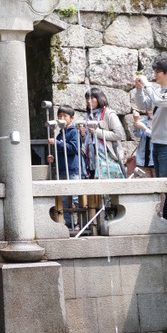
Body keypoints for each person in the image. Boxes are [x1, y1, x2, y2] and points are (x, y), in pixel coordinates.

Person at [132, 59, 167, 218]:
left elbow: (158, 101)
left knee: (166, 185)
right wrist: (139, 89)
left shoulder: (162, 94)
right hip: (157, 144)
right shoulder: (158, 91)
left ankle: (166, 218)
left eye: (158, 71)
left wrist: (147, 84)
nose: (155, 74)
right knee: (161, 185)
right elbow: (143, 105)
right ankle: (164, 218)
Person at [46, 104, 84, 232]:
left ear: (71, 118)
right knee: (64, 199)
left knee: (75, 197)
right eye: (59, 116)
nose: (62, 118)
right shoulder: (60, 134)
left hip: (72, 169)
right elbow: (61, 151)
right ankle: (69, 223)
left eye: (65, 116)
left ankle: (82, 222)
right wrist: (54, 158)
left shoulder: (73, 132)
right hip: (62, 169)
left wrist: (57, 143)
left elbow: (74, 148)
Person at [81, 87, 125, 179]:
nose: (88, 101)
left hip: (107, 156)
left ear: (99, 98)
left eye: (92, 98)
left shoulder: (109, 114)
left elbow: (118, 134)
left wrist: (97, 132)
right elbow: (89, 140)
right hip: (92, 157)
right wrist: (83, 134)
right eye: (87, 98)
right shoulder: (88, 117)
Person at [131, 107, 154, 177]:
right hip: (142, 158)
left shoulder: (161, 122)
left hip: (155, 158)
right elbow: (137, 135)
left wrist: (144, 128)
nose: (150, 111)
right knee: (143, 181)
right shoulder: (143, 121)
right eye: (148, 109)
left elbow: (157, 136)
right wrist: (136, 121)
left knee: (159, 181)